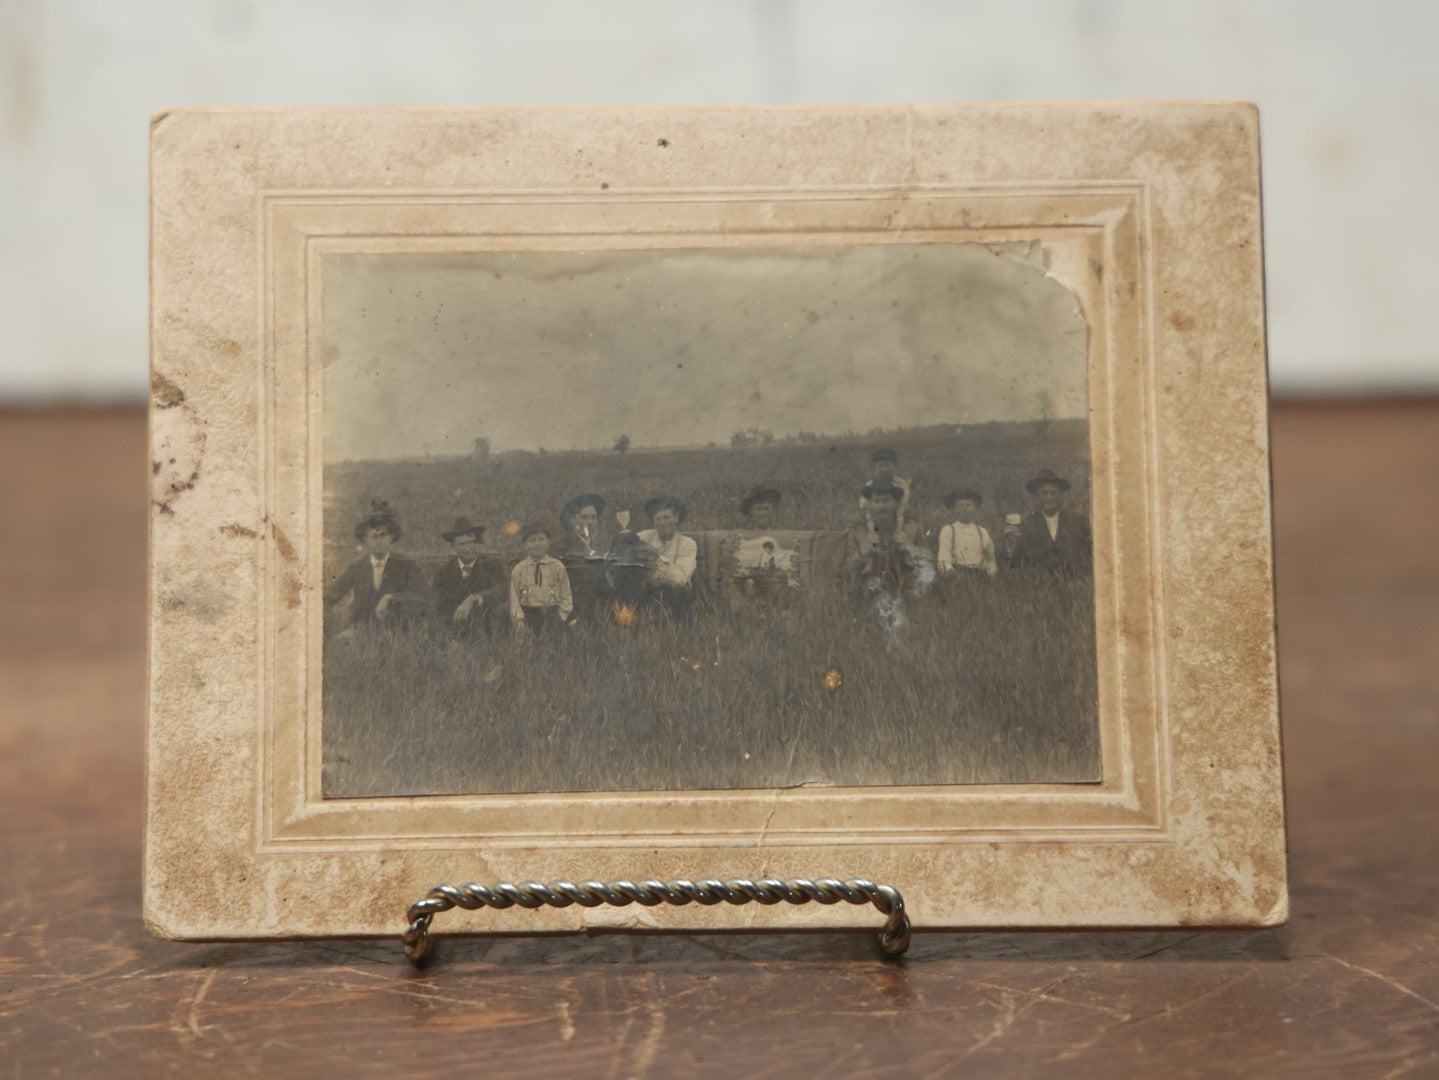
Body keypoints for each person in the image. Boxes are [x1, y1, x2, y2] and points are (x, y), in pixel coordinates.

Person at [323, 503, 430, 628]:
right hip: (361, 629)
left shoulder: (407, 564)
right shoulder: (356, 566)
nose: (379, 541)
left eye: (383, 535)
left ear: (392, 537)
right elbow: (331, 595)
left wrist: (391, 597)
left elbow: (424, 594)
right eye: (374, 536)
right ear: (366, 540)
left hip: (397, 630)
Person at [845, 480, 930, 596]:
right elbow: (846, 568)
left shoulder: (911, 528)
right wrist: (863, 549)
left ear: (895, 503)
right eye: (877, 501)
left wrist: (908, 545)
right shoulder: (858, 530)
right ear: (870, 504)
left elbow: (929, 565)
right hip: (867, 595)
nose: (881, 507)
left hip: (905, 593)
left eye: (886, 501)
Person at [1003, 468, 1092, 576]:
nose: (1049, 497)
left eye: (1053, 493)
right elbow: (1015, 560)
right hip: (1040, 585)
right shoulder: (1026, 522)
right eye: (1044, 493)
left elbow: (1092, 552)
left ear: (1061, 496)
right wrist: (1007, 542)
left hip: (1076, 583)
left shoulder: (1079, 520)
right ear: (1037, 497)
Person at [720, 486, 800, 602]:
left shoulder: (784, 538)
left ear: (773, 511)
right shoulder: (740, 539)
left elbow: (789, 568)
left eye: (766, 509)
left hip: (776, 591)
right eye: (758, 509)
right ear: (751, 512)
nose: (763, 513)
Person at [432, 517, 508, 635]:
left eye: (471, 542)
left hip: (487, 629)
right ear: (453, 547)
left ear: (477, 542)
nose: (468, 548)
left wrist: (475, 598)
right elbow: (438, 608)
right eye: (462, 544)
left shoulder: (492, 565)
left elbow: (503, 589)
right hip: (455, 630)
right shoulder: (443, 572)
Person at [637, 495, 697, 618]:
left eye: (666, 517)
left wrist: (655, 557)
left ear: (676, 518)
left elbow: (680, 579)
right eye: (658, 519)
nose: (663, 523)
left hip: (676, 596)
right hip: (646, 592)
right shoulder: (644, 537)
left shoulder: (687, 543)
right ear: (653, 521)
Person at [552, 493, 609, 624]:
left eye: (593, 518)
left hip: (596, 605)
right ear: (572, 520)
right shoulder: (560, 546)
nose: (589, 521)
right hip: (573, 605)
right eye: (584, 517)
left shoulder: (597, 545)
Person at [509, 523, 573, 636]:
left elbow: (566, 596)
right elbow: (514, 600)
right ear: (524, 545)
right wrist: (520, 622)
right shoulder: (519, 570)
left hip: (553, 615)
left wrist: (561, 617)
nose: (537, 544)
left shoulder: (558, 566)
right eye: (532, 540)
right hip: (528, 616)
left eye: (541, 539)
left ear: (548, 542)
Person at [859, 448, 920, 544]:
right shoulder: (870, 485)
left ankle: (902, 539)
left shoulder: (900, 484)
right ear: (875, 468)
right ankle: (872, 536)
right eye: (880, 466)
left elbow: (904, 500)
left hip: (897, 512)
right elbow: (864, 504)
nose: (884, 469)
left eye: (887, 466)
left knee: (910, 520)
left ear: (894, 467)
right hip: (874, 515)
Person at [937, 488, 998, 578]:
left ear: (975, 508)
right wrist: (950, 572)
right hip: (957, 575)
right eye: (960, 506)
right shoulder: (948, 530)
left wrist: (991, 573)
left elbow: (990, 558)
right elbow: (944, 557)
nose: (965, 509)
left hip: (980, 576)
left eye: (968, 505)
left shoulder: (982, 532)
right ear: (954, 509)